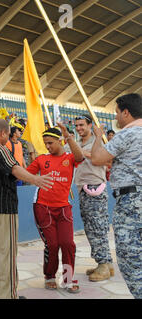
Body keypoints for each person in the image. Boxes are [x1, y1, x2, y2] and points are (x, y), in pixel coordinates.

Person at [0, 119, 53, 299]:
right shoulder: (0, 148)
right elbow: (15, 169)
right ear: (2, 133)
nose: (9, 137)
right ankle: (8, 295)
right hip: (2, 206)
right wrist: (36, 179)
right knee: (7, 253)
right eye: (8, 133)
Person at [91, 93, 142, 299]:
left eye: (117, 114)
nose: (117, 119)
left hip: (131, 202)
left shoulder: (127, 134)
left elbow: (96, 158)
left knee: (130, 260)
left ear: (126, 113)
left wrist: (97, 137)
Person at [26, 124, 84, 293]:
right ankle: (49, 276)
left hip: (64, 208)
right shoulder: (41, 159)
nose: (48, 146)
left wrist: (69, 137)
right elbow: (27, 175)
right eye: (46, 143)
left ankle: (68, 279)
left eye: (51, 143)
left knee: (67, 244)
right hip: (43, 207)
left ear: (60, 141)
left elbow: (80, 157)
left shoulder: (70, 158)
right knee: (52, 244)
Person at [73, 114, 114, 281]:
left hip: (95, 188)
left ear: (90, 125)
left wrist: (86, 153)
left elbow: (106, 162)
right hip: (83, 189)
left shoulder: (98, 142)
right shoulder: (77, 144)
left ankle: (103, 264)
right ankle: (106, 263)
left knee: (97, 227)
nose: (79, 128)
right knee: (92, 227)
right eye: (76, 125)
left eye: (82, 125)